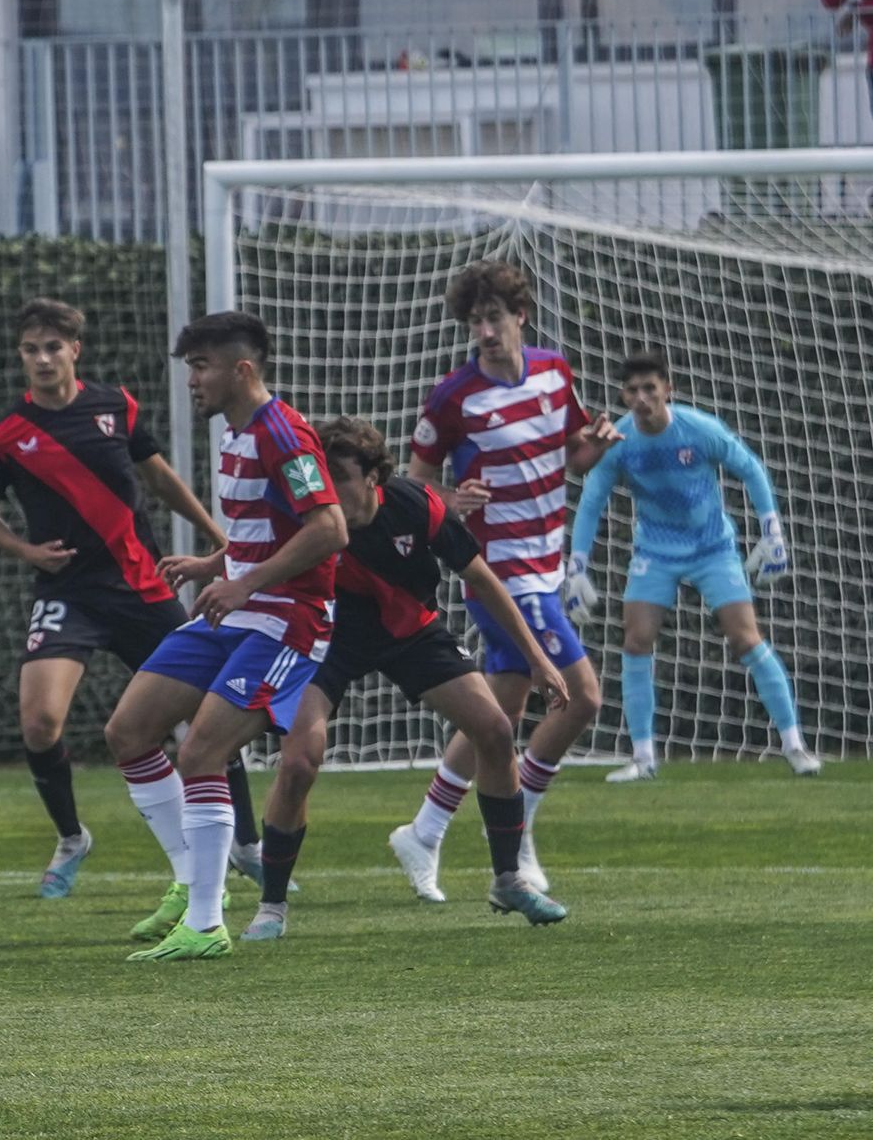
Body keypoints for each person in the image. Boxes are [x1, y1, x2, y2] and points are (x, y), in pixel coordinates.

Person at [0, 298, 272, 900]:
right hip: (68, 594)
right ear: (21, 356)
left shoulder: (115, 407)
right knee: (39, 721)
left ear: (74, 350)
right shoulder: (5, 435)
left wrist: (217, 538)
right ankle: (71, 838)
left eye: (53, 347)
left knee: (206, 716)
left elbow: (160, 479)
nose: (42, 359)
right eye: (31, 349)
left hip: (143, 588)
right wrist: (28, 552)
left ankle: (246, 844)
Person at [242, 417, 570, 942]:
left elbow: (482, 578)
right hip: (327, 636)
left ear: (374, 477)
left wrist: (536, 658)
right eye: (323, 476)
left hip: (411, 631)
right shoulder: (308, 514)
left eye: (340, 477)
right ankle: (272, 907)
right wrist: (211, 567)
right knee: (299, 761)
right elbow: (249, 549)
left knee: (493, 728)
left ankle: (508, 880)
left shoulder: (417, 506)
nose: (328, 489)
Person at [107, 310, 346, 962]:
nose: (192, 380)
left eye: (201, 366)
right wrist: (216, 565)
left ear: (242, 370)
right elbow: (264, 530)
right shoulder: (236, 433)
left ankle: (206, 922)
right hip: (241, 611)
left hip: (289, 620)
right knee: (128, 731)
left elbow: (329, 529)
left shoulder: (284, 434)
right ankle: (191, 882)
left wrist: (244, 583)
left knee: (201, 753)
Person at [390, 259, 619, 904]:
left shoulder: (553, 372)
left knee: (502, 712)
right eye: (475, 322)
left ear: (520, 316)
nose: (485, 333)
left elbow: (571, 456)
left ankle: (425, 830)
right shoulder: (453, 397)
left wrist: (597, 447)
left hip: (546, 563)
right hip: (500, 573)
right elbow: (412, 486)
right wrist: (450, 501)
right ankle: (519, 835)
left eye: (494, 318)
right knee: (582, 697)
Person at [563, 349, 822, 780]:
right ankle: (643, 758)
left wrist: (772, 531)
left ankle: (795, 745)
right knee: (636, 640)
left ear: (668, 389)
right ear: (623, 396)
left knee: (745, 638)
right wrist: (576, 567)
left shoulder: (699, 429)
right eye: (633, 390)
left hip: (712, 547)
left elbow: (751, 469)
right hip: (655, 552)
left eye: (650, 388)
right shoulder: (619, 442)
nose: (642, 397)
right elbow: (591, 502)